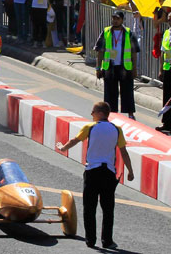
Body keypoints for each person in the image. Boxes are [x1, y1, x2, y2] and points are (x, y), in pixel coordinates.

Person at [56, 101, 134, 250]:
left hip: (92, 171)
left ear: (100, 113)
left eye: (93, 111)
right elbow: (123, 151)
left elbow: (75, 140)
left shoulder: (90, 127)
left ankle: (90, 240)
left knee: (89, 207)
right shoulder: (117, 129)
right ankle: (107, 240)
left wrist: (63, 147)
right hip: (109, 173)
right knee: (108, 209)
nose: (91, 114)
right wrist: (130, 170)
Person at [94, 11, 138, 120]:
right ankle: (110, 114)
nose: (115, 20)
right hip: (110, 67)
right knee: (110, 93)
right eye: (113, 18)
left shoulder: (129, 33)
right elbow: (100, 51)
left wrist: (134, 68)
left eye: (117, 19)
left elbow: (134, 52)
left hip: (125, 67)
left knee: (127, 92)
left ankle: (130, 114)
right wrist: (98, 67)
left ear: (122, 20)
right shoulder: (106, 32)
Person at [159, 25, 171, 133]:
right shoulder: (167, 33)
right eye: (169, 18)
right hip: (167, 68)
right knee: (166, 97)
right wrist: (160, 70)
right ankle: (166, 123)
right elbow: (163, 52)